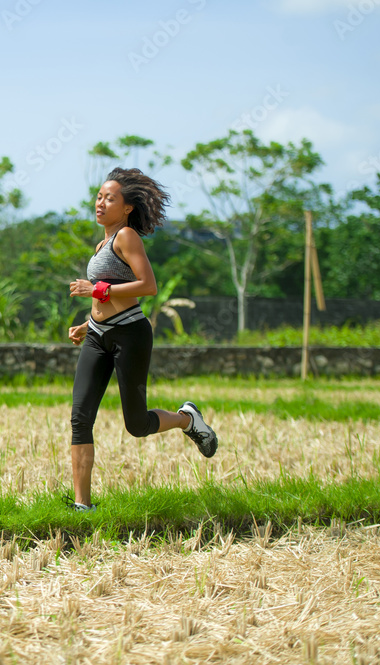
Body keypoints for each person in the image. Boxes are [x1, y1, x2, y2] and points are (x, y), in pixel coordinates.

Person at [66, 167, 217, 511]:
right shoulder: (102, 243)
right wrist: (87, 325)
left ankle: (186, 419)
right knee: (80, 417)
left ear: (127, 207)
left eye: (110, 198)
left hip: (131, 335)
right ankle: (82, 505)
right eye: (100, 196)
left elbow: (148, 286)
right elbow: (107, 300)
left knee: (136, 424)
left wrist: (97, 289)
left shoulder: (126, 237)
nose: (101, 203)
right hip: (98, 335)